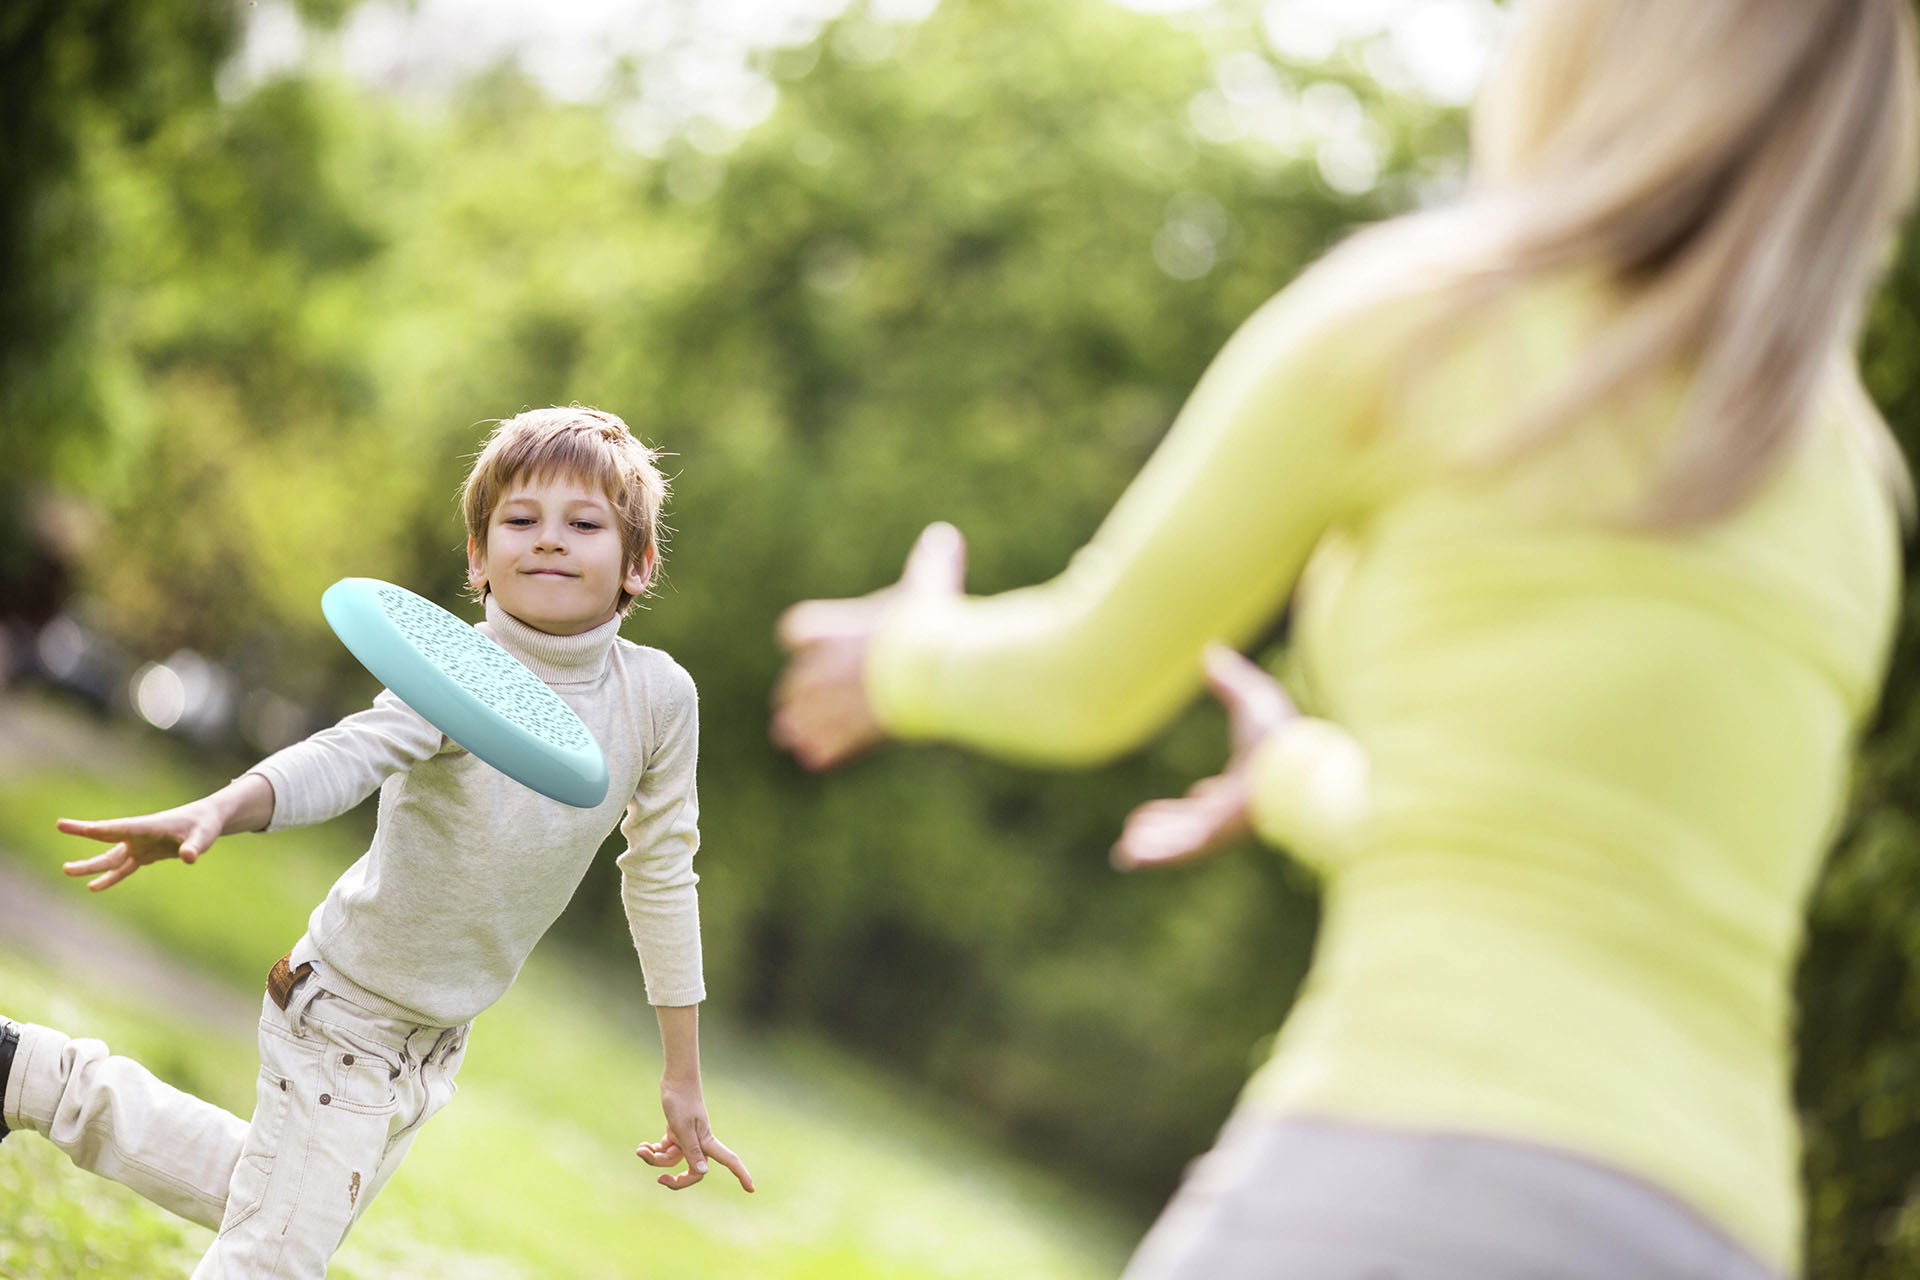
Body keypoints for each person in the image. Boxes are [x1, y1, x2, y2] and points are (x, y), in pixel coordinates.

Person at [769, 1, 1918, 1276]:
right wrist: (1290, 772)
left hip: (1407, 1164)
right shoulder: (1850, 491)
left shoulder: (1429, 321)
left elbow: (1083, 680)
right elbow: (1545, 857)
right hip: (1712, 1226)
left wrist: (906, 654)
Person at [1, 406, 753, 1278]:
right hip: (346, 1014)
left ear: (637, 564)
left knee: (263, 1192)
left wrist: (682, 1076)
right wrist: (222, 808)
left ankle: (28, 1074)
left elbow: (662, 874)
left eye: (583, 525)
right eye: (520, 520)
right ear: (478, 557)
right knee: (274, 1256)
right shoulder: (452, 676)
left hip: (435, 1037)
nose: (549, 542)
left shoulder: (659, 699)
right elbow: (348, 753)